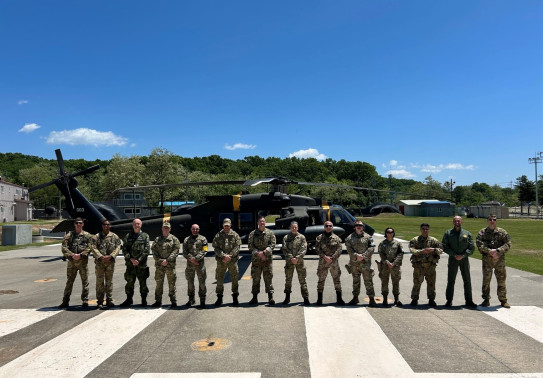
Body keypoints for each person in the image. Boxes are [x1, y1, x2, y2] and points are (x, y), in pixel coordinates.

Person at [476, 214, 512, 308]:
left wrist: (498, 251)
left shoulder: (502, 232)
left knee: (501, 281)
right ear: (487, 220)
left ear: (496, 221)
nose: (492, 221)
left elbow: (508, 243)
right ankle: (486, 299)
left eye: (494, 220)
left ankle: (503, 300)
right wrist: (489, 251)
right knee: (486, 281)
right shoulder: (482, 232)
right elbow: (479, 244)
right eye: (490, 219)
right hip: (487, 260)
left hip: (499, 260)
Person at [442, 216, 477, 308]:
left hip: (464, 260)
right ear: (452, 222)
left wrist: (463, 255)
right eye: (455, 221)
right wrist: (454, 255)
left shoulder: (467, 233)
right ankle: (449, 300)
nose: (457, 222)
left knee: (467, 280)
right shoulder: (448, 233)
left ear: (462, 222)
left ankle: (469, 300)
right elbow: (445, 246)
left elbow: (471, 247)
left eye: (458, 221)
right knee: (451, 280)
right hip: (453, 259)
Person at [58, 218, 93, 309]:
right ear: (74, 224)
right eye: (77, 223)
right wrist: (72, 255)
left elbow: (91, 246)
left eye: (80, 223)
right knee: (69, 282)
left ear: (83, 224)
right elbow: (64, 247)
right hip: (72, 263)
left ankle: (85, 300)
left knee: (85, 282)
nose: (78, 224)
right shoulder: (69, 235)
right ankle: (65, 301)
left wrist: (81, 254)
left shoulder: (87, 235)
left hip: (83, 262)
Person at [408, 223, 443, 307]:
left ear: (429, 230)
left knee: (431, 284)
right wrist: (422, 251)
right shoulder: (415, 240)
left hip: (430, 266)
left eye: (426, 229)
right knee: (417, 283)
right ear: (420, 229)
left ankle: (431, 299)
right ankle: (414, 299)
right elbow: (412, 250)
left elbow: (441, 249)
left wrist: (433, 250)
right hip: (419, 266)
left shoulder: (433, 240)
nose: (425, 230)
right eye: (423, 229)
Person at [120, 218, 150, 307]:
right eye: (135, 224)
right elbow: (124, 249)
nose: (137, 225)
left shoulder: (145, 236)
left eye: (138, 224)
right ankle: (129, 299)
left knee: (143, 284)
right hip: (130, 265)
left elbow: (147, 249)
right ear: (132, 225)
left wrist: (139, 260)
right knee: (129, 283)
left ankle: (144, 300)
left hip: (141, 265)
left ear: (141, 225)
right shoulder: (128, 236)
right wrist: (131, 259)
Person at [345, 221, 377, 306]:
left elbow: (372, 247)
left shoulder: (368, 237)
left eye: (360, 225)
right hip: (355, 263)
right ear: (354, 227)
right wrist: (356, 255)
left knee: (368, 281)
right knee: (356, 281)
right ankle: (355, 298)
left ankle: (371, 299)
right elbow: (349, 249)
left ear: (363, 227)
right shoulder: (349, 237)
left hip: (365, 263)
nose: (358, 227)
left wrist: (363, 256)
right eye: (357, 225)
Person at [91, 219, 121, 309]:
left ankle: (109, 300)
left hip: (110, 263)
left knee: (109, 282)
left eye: (108, 224)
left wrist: (111, 256)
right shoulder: (96, 236)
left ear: (110, 226)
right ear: (102, 226)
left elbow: (118, 247)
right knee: (99, 282)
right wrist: (100, 256)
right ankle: (100, 301)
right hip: (100, 262)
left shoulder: (114, 236)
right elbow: (93, 247)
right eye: (104, 224)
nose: (106, 226)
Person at [212, 218, 241, 306]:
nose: (226, 227)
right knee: (219, 279)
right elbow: (215, 247)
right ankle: (219, 297)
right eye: (225, 226)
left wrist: (230, 256)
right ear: (223, 226)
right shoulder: (218, 235)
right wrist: (223, 255)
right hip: (221, 261)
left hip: (232, 261)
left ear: (230, 225)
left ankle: (235, 297)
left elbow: (237, 247)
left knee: (234, 279)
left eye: (228, 225)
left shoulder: (235, 235)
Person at [151, 222, 180, 308]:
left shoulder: (174, 239)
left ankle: (173, 301)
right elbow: (153, 251)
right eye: (164, 228)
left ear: (170, 229)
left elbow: (176, 251)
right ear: (162, 229)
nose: (166, 229)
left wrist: (167, 260)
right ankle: (158, 301)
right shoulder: (157, 239)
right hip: (159, 266)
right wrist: (160, 260)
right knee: (159, 284)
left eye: (167, 228)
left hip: (170, 266)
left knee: (171, 284)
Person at [248, 216, 276, 305]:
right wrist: (258, 253)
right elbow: (250, 246)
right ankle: (254, 298)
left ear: (265, 222)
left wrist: (265, 252)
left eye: (263, 221)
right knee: (256, 279)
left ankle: (270, 297)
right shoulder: (252, 234)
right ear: (258, 223)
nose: (262, 223)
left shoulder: (270, 233)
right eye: (260, 221)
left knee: (268, 279)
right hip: (256, 261)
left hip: (267, 260)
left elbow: (273, 244)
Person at [315, 221, 344, 305]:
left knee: (337, 280)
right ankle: (319, 300)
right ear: (324, 227)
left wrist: (332, 258)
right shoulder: (319, 238)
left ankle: (339, 299)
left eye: (330, 226)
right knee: (321, 280)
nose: (328, 227)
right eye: (326, 226)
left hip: (333, 262)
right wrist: (324, 256)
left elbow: (339, 249)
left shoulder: (336, 238)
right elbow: (317, 249)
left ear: (332, 227)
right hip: (323, 262)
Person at [281, 221, 310, 305]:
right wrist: (291, 258)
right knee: (288, 280)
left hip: (299, 262)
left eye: (295, 227)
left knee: (302, 280)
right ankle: (287, 298)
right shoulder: (286, 238)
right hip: (289, 262)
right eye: (292, 227)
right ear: (290, 228)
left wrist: (297, 258)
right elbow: (284, 249)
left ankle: (306, 298)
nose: (294, 229)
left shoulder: (302, 237)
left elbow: (304, 249)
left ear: (297, 228)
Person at [182, 223, 208, 309]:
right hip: (190, 265)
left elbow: (205, 250)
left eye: (197, 229)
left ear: (199, 229)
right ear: (191, 229)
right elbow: (184, 252)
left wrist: (196, 259)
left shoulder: (203, 239)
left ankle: (202, 300)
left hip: (200, 265)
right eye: (193, 229)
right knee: (190, 283)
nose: (195, 230)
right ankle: (191, 299)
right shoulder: (186, 240)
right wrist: (192, 259)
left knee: (202, 283)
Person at [377, 227, 404, 307]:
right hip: (385, 266)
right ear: (385, 233)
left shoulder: (398, 243)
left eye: (391, 232)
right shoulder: (382, 243)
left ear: (393, 233)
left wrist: (394, 263)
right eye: (388, 232)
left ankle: (396, 299)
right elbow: (381, 254)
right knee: (384, 282)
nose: (389, 233)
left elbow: (400, 254)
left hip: (395, 267)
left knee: (396, 282)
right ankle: (385, 299)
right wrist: (387, 262)